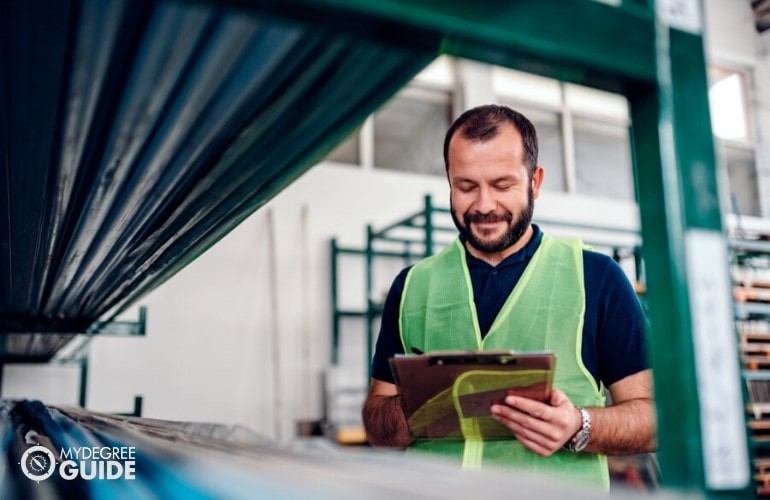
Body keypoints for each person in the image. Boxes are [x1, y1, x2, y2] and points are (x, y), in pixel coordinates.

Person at [361, 104, 656, 490]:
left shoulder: (597, 279)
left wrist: (579, 425)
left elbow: (654, 420)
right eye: (466, 187)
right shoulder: (413, 286)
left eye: (502, 185)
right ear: (449, 183)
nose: (483, 205)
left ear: (535, 182)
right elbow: (375, 423)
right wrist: (417, 407)